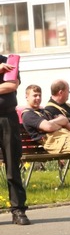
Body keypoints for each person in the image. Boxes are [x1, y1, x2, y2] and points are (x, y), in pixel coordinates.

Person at [0, 53, 29, 224]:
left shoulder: (9, 61)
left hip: (7, 118)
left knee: (13, 166)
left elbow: (11, 86)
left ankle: (18, 210)